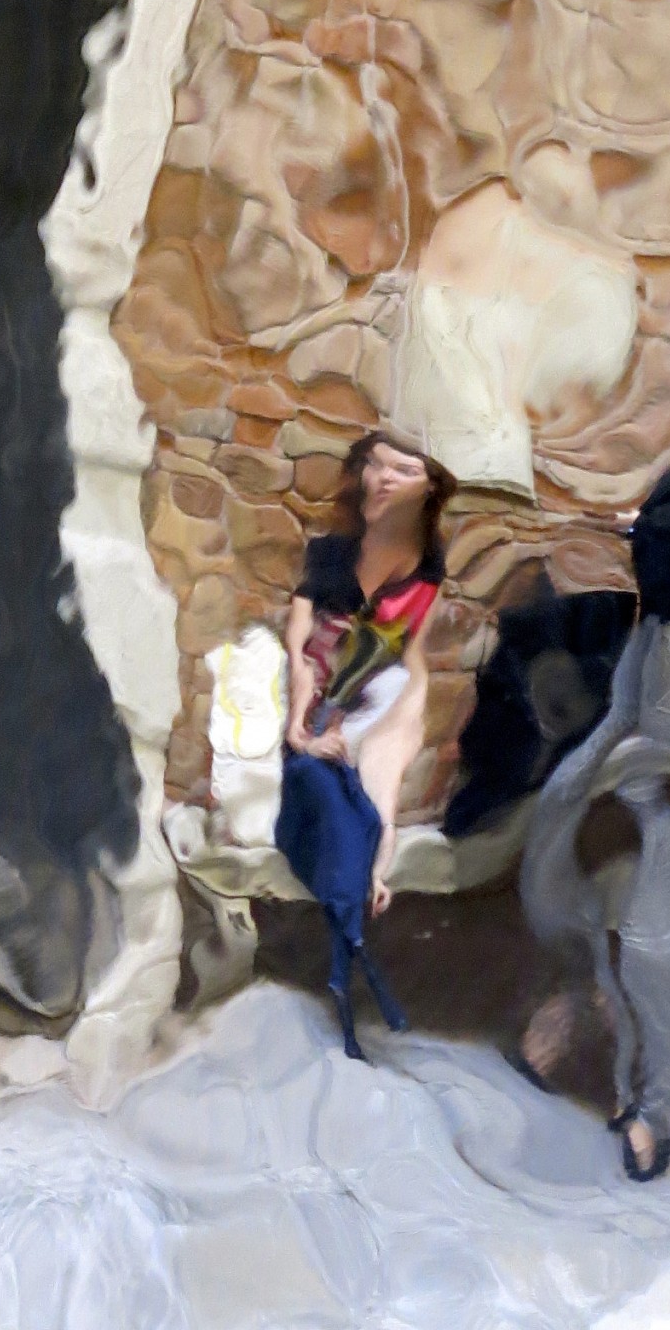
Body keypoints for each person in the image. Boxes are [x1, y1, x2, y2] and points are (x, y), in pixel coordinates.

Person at [519, 274, 670, 1179]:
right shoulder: (663, 610)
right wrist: (584, 782)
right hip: (660, 733)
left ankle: (651, 1104)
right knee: (636, 946)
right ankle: (642, 1095)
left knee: (669, 954)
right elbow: (633, 725)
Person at [276, 429, 456, 1059]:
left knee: (389, 728)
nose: (382, 478)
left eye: (401, 469)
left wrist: (405, 707)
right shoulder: (331, 554)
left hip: (373, 695)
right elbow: (300, 648)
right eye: (377, 465)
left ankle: (368, 884)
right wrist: (301, 726)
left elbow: (413, 657)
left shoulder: (428, 567)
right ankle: (350, 951)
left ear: (428, 486)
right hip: (316, 693)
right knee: (329, 788)